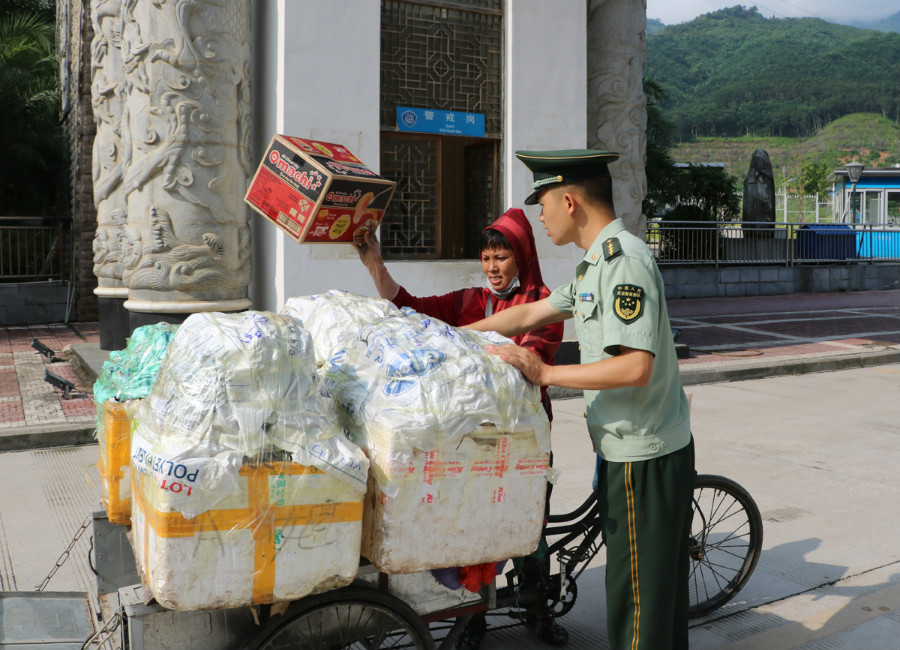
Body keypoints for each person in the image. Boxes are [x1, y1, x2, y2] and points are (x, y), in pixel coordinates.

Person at [467, 149, 695, 650]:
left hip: (644, 456)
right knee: (650, 599)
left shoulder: (623, 264)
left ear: (568, 201)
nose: (540, 217)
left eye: (542, 203)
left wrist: (545, 371)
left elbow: (636, 366)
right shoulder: (595, 265)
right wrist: (458, 335)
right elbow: (525, 315)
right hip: (625, 450)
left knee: (638, 606)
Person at [356, 208, 569, 648]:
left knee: (530, 528)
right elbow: (413, 310)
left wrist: (460, 350)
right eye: (487, 257)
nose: (492, 267)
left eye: (502, 258)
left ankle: (538, 609)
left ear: (522, 256)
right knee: (476, 526)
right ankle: (474, 618)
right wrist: (375, 264)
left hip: (523, 441)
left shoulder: (544, 304)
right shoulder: (470, 300)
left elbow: (525, 366)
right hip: (472, 441)